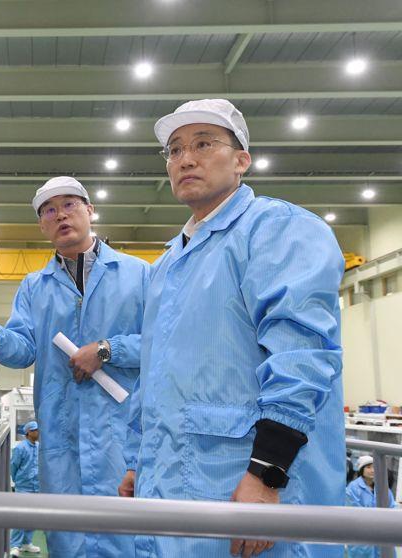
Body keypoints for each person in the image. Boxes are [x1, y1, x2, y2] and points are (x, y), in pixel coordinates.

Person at [122, 99, 346, 558]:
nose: (185, 158)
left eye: (203, 143)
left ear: (242, 160)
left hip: (250, 486)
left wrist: (268, 473)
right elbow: (158, 375)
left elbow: (301, 355)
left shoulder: (276, 229)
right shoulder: (168, 264)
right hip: (173, 485)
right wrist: (138, 461)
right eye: (174, 150)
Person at [0, 176, 149, 557]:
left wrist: (107, 349)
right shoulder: (35, 286)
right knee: (67, 534)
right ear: (42, 225)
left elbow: (162, 344)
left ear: (90, 210)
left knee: (126, 533)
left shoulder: (138, 275)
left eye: (70, 205)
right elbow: (25, 345)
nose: (61, 215)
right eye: (49, 210)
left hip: (123, 432)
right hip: (62, 437)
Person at [346, 455, 396, 558]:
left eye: (374, 467)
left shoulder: (383, 487)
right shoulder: (353, 488)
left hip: (382, 533)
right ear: (361, 470)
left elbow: (391, 507)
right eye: (368, 467)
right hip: (361, 534)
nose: (372, 470)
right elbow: (353, 511)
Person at [10, 421, 41, 557]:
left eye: (38, 430)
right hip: (23, 486)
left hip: (37, 487)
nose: (37, 433)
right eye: (35, 430)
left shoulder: (39, 447)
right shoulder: (20, 448)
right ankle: (15, 545)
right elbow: (13, 466)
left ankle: (26, 543)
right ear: (28, 432)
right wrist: (17, 480)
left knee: (33, 517)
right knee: (20, 517)